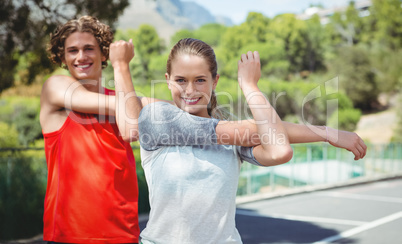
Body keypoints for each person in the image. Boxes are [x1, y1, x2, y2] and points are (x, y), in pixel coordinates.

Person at [137, 38, 367, 243]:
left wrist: (250, 86)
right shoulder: (157, 118)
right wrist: (327, 133)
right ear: (167, 80)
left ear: (214, 81)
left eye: (199, 80)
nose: (189, 89)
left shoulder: (233, 139)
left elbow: (278, 151)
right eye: (180, 80)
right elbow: (255, 130)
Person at [40, 16, 143, 243]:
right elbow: (131, 111)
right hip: (68, 237)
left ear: (103, 53)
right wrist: (121, 65)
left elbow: (167, 110)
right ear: (62, 57)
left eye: (89, 48)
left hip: (123, 235)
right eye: (72, 50)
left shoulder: (124, 100)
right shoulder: (55, 86)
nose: (81, 57)